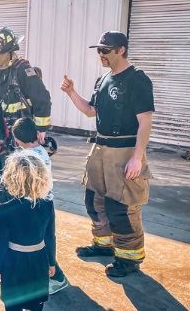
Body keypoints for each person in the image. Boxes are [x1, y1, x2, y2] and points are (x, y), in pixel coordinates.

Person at [61, 31, 154, 277]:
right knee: (94, 201)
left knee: (122, 206)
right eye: (98, 50)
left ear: (121, 49)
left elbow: (145, 121)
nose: (100, 54)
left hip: (124, 150)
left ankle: (129, 259)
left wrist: (137, 157)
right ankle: (103, 245)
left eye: (105, 50)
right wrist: (71, 93)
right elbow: (91, 112)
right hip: (100, 148)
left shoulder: (138, 80)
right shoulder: (103, 80)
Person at [0, 27, 52, 229]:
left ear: (11, 51)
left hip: (17, 135)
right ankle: (0, 215)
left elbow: (43, 99)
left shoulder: (23, 71)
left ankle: (18, 217)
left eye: (0, 54)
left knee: (16, 177)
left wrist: (41, 129)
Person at [0, 151, 56, 311]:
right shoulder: (47, 205)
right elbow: (50, 237)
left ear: (12, 178)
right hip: (39, 262)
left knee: (13, 305)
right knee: (36, 306)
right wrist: (51, 262)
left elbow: (1, 243)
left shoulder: (5, 209)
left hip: (13, 263)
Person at [11, 118, 69, 294]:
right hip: (47, 203)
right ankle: (52, 274)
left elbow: (21, 185)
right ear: (36, 134)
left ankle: (55, 277)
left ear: (18, 140)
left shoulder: (26, 157)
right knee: (47, 240)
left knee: (36, 243)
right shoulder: (41, 152)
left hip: (33, 206)